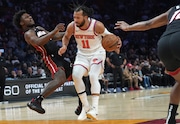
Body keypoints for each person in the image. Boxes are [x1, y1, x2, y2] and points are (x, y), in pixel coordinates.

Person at [115, 4, 180, 124]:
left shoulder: (173, 9)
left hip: (164, 44)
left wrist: (128, 27)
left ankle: (171, 117)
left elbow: (148, 24)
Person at [59, 5, 121, 120]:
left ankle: (95, 109)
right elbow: (66, 37)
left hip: (97, 53)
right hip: (82, 55)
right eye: (74, 17)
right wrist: (64, 46)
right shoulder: (72, 26)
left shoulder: (97, 25)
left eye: (78, 18)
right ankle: (86, 107)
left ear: (86, 17)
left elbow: (110, 37)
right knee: (76, 75)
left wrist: (117, 44)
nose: (75, 20)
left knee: (93, 76)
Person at [13, 10, 72, 114]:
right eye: (27, 17)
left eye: (30, 15)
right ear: (22, 23)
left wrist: (70, 33)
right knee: (60, 79)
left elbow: (54, 37)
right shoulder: (28, 34)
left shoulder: (39, 28)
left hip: (59, 57)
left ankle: (82, 104)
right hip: (49, 58)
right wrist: (55, 30)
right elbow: (38, 42)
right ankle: (36, 101)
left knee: (80, 74)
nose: (30, 17)